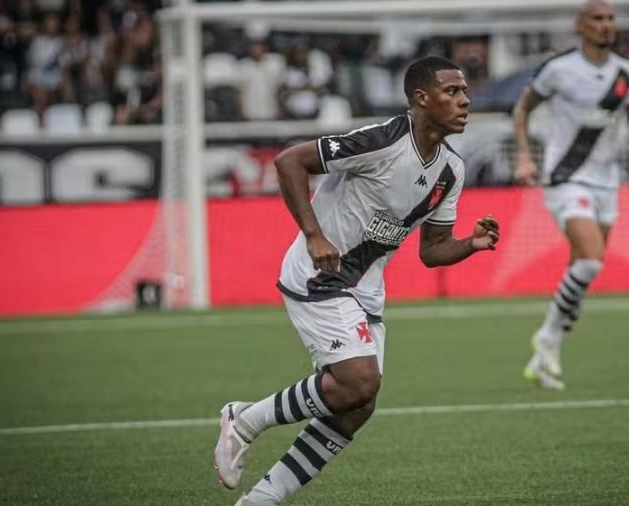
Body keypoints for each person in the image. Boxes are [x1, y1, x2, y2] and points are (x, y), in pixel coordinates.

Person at [213, 55, 500, 505]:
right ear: (422, 99)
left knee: (357, 407)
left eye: (464, 91)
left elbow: (432, 250)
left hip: (365, 288)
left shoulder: (451, 170)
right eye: (453, 91)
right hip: (320, 275)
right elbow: (290, 162)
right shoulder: (382, 141)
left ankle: (261, 500)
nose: (465, 101)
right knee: (358, 381)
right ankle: (245, 420)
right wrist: (314, 236)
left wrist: (471, 244)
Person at [511, 0, 629, 390]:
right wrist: (524, 155)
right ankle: (546, 338)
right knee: (591, 261)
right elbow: (523, 109)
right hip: (566, 176)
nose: (606, 25)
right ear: (580, 26)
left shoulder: (626, 73)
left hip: (607, 181)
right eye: (597, 19)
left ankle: (543, 359)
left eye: (610, 18)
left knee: (580, 274)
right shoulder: (559, 69)